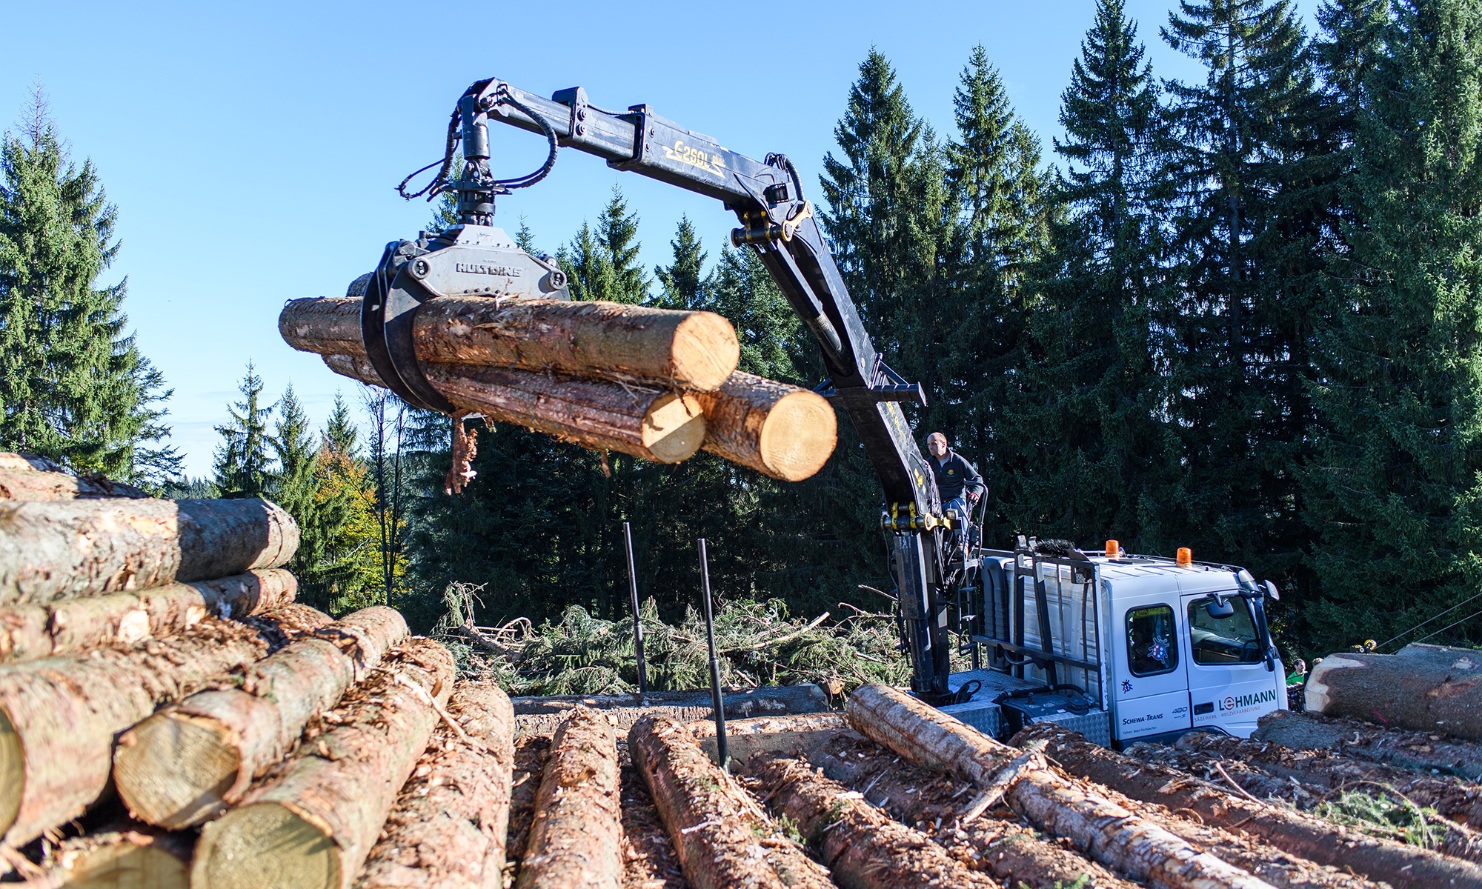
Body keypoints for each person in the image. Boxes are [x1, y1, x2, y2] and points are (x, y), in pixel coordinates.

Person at [926, 432, 985, 544]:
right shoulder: (928, 464)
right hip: (936, 503)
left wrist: (976, 493)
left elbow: (977, 479)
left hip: (955, 500)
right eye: (928, 444)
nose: (930, 447)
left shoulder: (957, 461)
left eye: (933, 444)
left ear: (943, 444)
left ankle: (963, 544)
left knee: (957, 509)